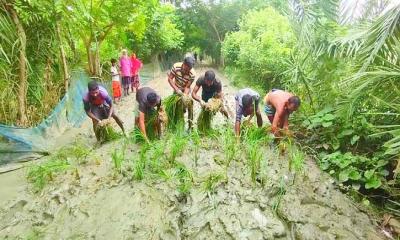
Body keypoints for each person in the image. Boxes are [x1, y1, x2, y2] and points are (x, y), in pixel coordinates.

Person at [167, 56, 196, 129]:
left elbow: (187, 87)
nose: (187, 71)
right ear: (183, 64)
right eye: (186, 69)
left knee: (187, 104)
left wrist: (184, 95)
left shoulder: (192, 74)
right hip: (176, 88)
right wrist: (177, 90)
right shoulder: (176, 67)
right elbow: (170, 79)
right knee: (175, 107)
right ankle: (176, 124)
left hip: (185, 89)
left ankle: (190, 127)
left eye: (189, 70)